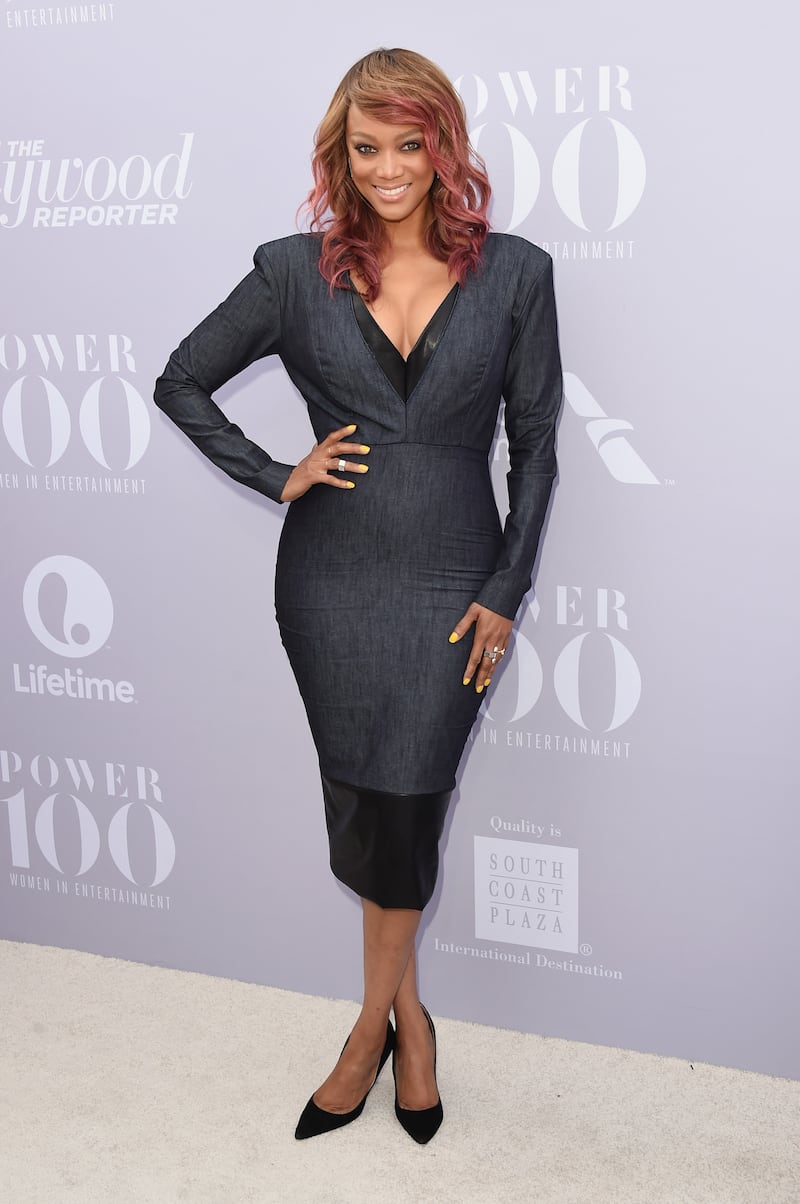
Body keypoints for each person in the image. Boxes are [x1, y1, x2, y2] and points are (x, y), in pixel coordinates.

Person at [154, 47, 562, 1144]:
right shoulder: (295, 272)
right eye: (365, 147)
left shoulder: (516, 274)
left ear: (443, 148)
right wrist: (271, 472)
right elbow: (179, 378)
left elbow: (535, 448)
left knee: (409, 800)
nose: (387, 168)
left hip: (456, 584)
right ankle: (405, 1025)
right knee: (368, 804)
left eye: (408, 144)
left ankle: (372, 1029)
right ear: (341, 155)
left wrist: (505, 590)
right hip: (330, 584)